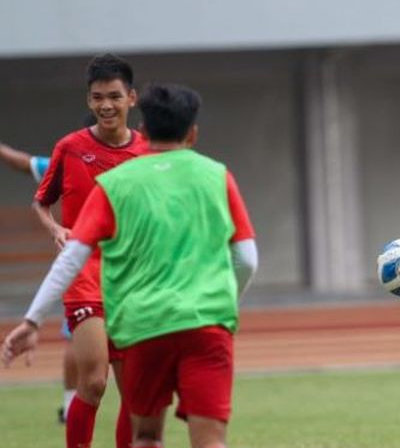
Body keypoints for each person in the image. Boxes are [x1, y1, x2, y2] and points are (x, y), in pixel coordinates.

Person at [3, 82, 258, 448]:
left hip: (144, 323)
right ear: (193, 132)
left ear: (145, 129)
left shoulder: (115, 183)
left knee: (147, 435)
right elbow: (247, 258)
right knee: (210, 441)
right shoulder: (217, 176)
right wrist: (226, 300)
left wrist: (31, 320)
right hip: (207, 321)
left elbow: (72, 255)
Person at [18, 53, 148, 448]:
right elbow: (42, 201)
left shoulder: (148, 152)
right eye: (96, 97)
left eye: (113, 96)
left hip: (133, 278)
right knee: (93, 381)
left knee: (137, 394)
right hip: (84, 272)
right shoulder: (69, 148)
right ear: (88, 100)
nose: (105, 105)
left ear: (132, 98)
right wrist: (55, 227)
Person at [1, 113, 97, 424]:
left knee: (80, 332)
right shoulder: (71, 156)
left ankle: (73, 404)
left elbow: (23, 162)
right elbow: (27, 166)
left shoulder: (74, 155)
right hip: (92, 262)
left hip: (99, 263)